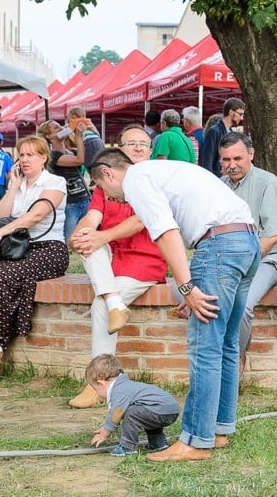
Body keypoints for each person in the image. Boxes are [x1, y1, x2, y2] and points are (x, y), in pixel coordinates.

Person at [87, 147, 260, 462]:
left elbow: (167, 233)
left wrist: (188, 287)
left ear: (109, 173)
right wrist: (194, 285)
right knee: (226, 345)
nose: (109, 197)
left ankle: (196, 440)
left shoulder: (136, 180)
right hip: (246, 242)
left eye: (102, 188)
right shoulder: (160, 172)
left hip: (219, 246)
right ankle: (218, 429)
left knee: (205, 348)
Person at [66, 125, 168, 409]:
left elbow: (139, 222)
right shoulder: (105, 183)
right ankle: (114, 302)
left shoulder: (152, 181)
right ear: (119, 149)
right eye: (130, 143)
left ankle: (100, 381)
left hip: (144, 260)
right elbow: (93, 217)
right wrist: (82, 232)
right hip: (112, 260)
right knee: (87, 240)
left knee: (99, 306)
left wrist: (102, 236)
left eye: (143, 144)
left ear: (150, 151)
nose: (137, 148)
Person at [0, 135, 69, 366]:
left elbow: (37, 214)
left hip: (49, 249)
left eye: (30, 155)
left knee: (5, 275)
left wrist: (2, 232)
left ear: (43, 158)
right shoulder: (20, 185)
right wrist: (13, 186)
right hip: (17, 249)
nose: (24, 160)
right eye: (21, 155)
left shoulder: (54, 183)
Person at [217, 132, 277, 376]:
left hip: (266, 259)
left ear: (251, 154)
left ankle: (234, 360)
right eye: (226, 160)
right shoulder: (220, 185)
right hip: (227, 260)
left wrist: (241, 265)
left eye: (237, 158)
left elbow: (272, 237)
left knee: (243, 303)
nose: (232, 165)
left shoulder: (267, 183)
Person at [86, 354, 181, 457]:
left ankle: (128, 447)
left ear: (101, 383)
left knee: (132, 413)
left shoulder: (119, 390)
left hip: (160, 409)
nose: (97, 393)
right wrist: (106, 427)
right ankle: (157, 443)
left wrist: (105, 432)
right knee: (143, 412)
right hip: (171, 409)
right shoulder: (127, 385)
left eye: (95, 389)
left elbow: (116, 413)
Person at [38, 119, 90, 240]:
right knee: (69, 239)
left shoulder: (71, 151)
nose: (61, 128)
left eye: (60, 126)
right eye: (56, 128)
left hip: (84, 199)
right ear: (49, 136)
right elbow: (80, 160)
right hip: (70, 204)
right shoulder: (53, 156)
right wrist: (77, 135)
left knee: (86, 238)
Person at [199, 98, 245, 176]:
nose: (241, 118)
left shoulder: (230, 132)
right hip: (217, 179)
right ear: (231, 112)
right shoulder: (214, 131)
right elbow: (207, 160)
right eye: (240, 114)